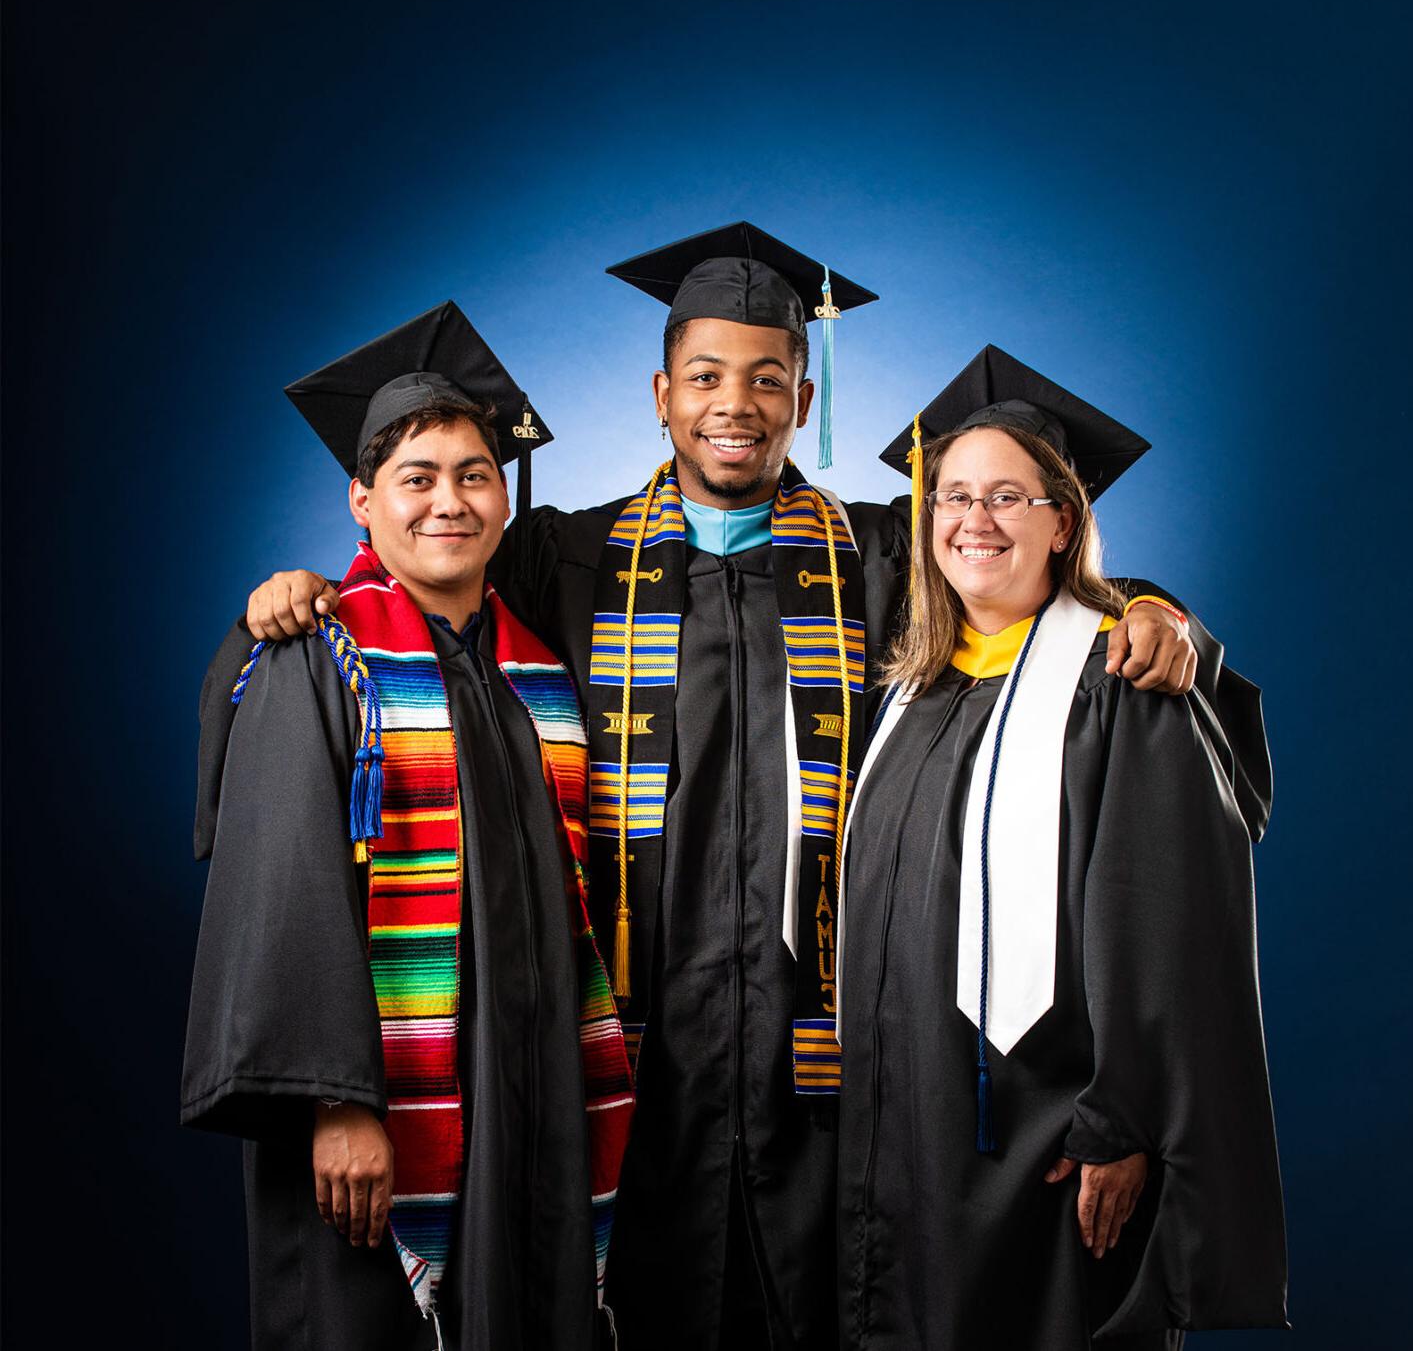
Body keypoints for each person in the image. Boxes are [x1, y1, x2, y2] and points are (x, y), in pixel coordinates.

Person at [228, 227, 1217, 1350]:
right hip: (631, 1069)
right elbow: (415, 588)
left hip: (831, 1073)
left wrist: (1155, 612)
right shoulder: (567, 557)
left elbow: (1031, 594)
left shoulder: (879, 556)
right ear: (660, 394)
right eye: (703, 376)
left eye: (764, 379)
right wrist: (302, 594)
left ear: (803, 394)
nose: (731, 404)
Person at [183, 302, 633, 1351]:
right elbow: (280, 883)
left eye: (474, 474)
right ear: (362, 500)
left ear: (504, 499)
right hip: (381, 1106)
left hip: (529, 1093)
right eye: (417, 478)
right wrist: (336, 1103)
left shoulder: (534, 672)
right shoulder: (321, 655)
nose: (449, 501)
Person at [835, 347, 1286, 1350]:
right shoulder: (909, 692)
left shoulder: (1120, 680)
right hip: (905, 1127)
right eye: (952, 496)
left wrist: (1124, 1122)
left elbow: (1167, 920)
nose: (973, 520)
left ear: (1065, 521)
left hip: (1049, 1140)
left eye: (1008, 495)